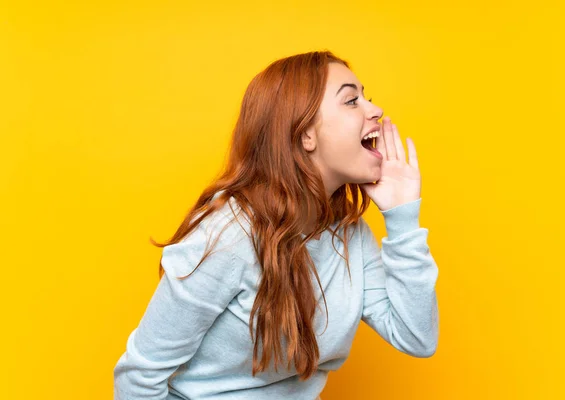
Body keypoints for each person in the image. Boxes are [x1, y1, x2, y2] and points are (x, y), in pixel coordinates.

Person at [113, 50, 439, 400]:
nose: (375, 110)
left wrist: (403, 219)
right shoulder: (230, 235)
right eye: (351, 101)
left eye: (367, 98)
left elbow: (416, 337)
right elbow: (139, 377)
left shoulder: (348, 234)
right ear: (304, 135)